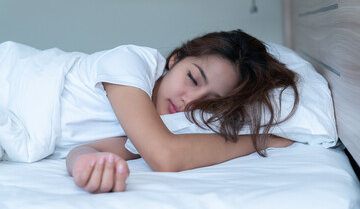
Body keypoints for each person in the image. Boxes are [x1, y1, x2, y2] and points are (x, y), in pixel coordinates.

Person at [63, 29, 299, 193]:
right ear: (175, 59)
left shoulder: (162, 128)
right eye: (193, 78)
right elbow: (165, 157)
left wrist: (85, 164)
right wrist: (260, 140)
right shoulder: (130, 63)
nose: (190, 101)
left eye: (211, 102)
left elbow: (88, 148)